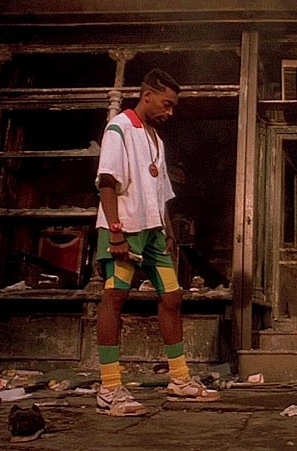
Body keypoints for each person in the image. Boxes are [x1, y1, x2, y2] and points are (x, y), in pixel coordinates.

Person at [94, 68, 219, 417]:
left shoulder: (156, 139)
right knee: (115, 296)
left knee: (172, 296)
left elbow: (160, 190)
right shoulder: (119, 127)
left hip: (152, 232)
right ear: (147, 95)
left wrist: (168, 231)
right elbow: (107, 181)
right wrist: (115, 232)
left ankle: (179, 379)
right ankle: (109, 388)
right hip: (125, 228)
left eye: (173, 106)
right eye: (167, 104)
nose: (170, 111)